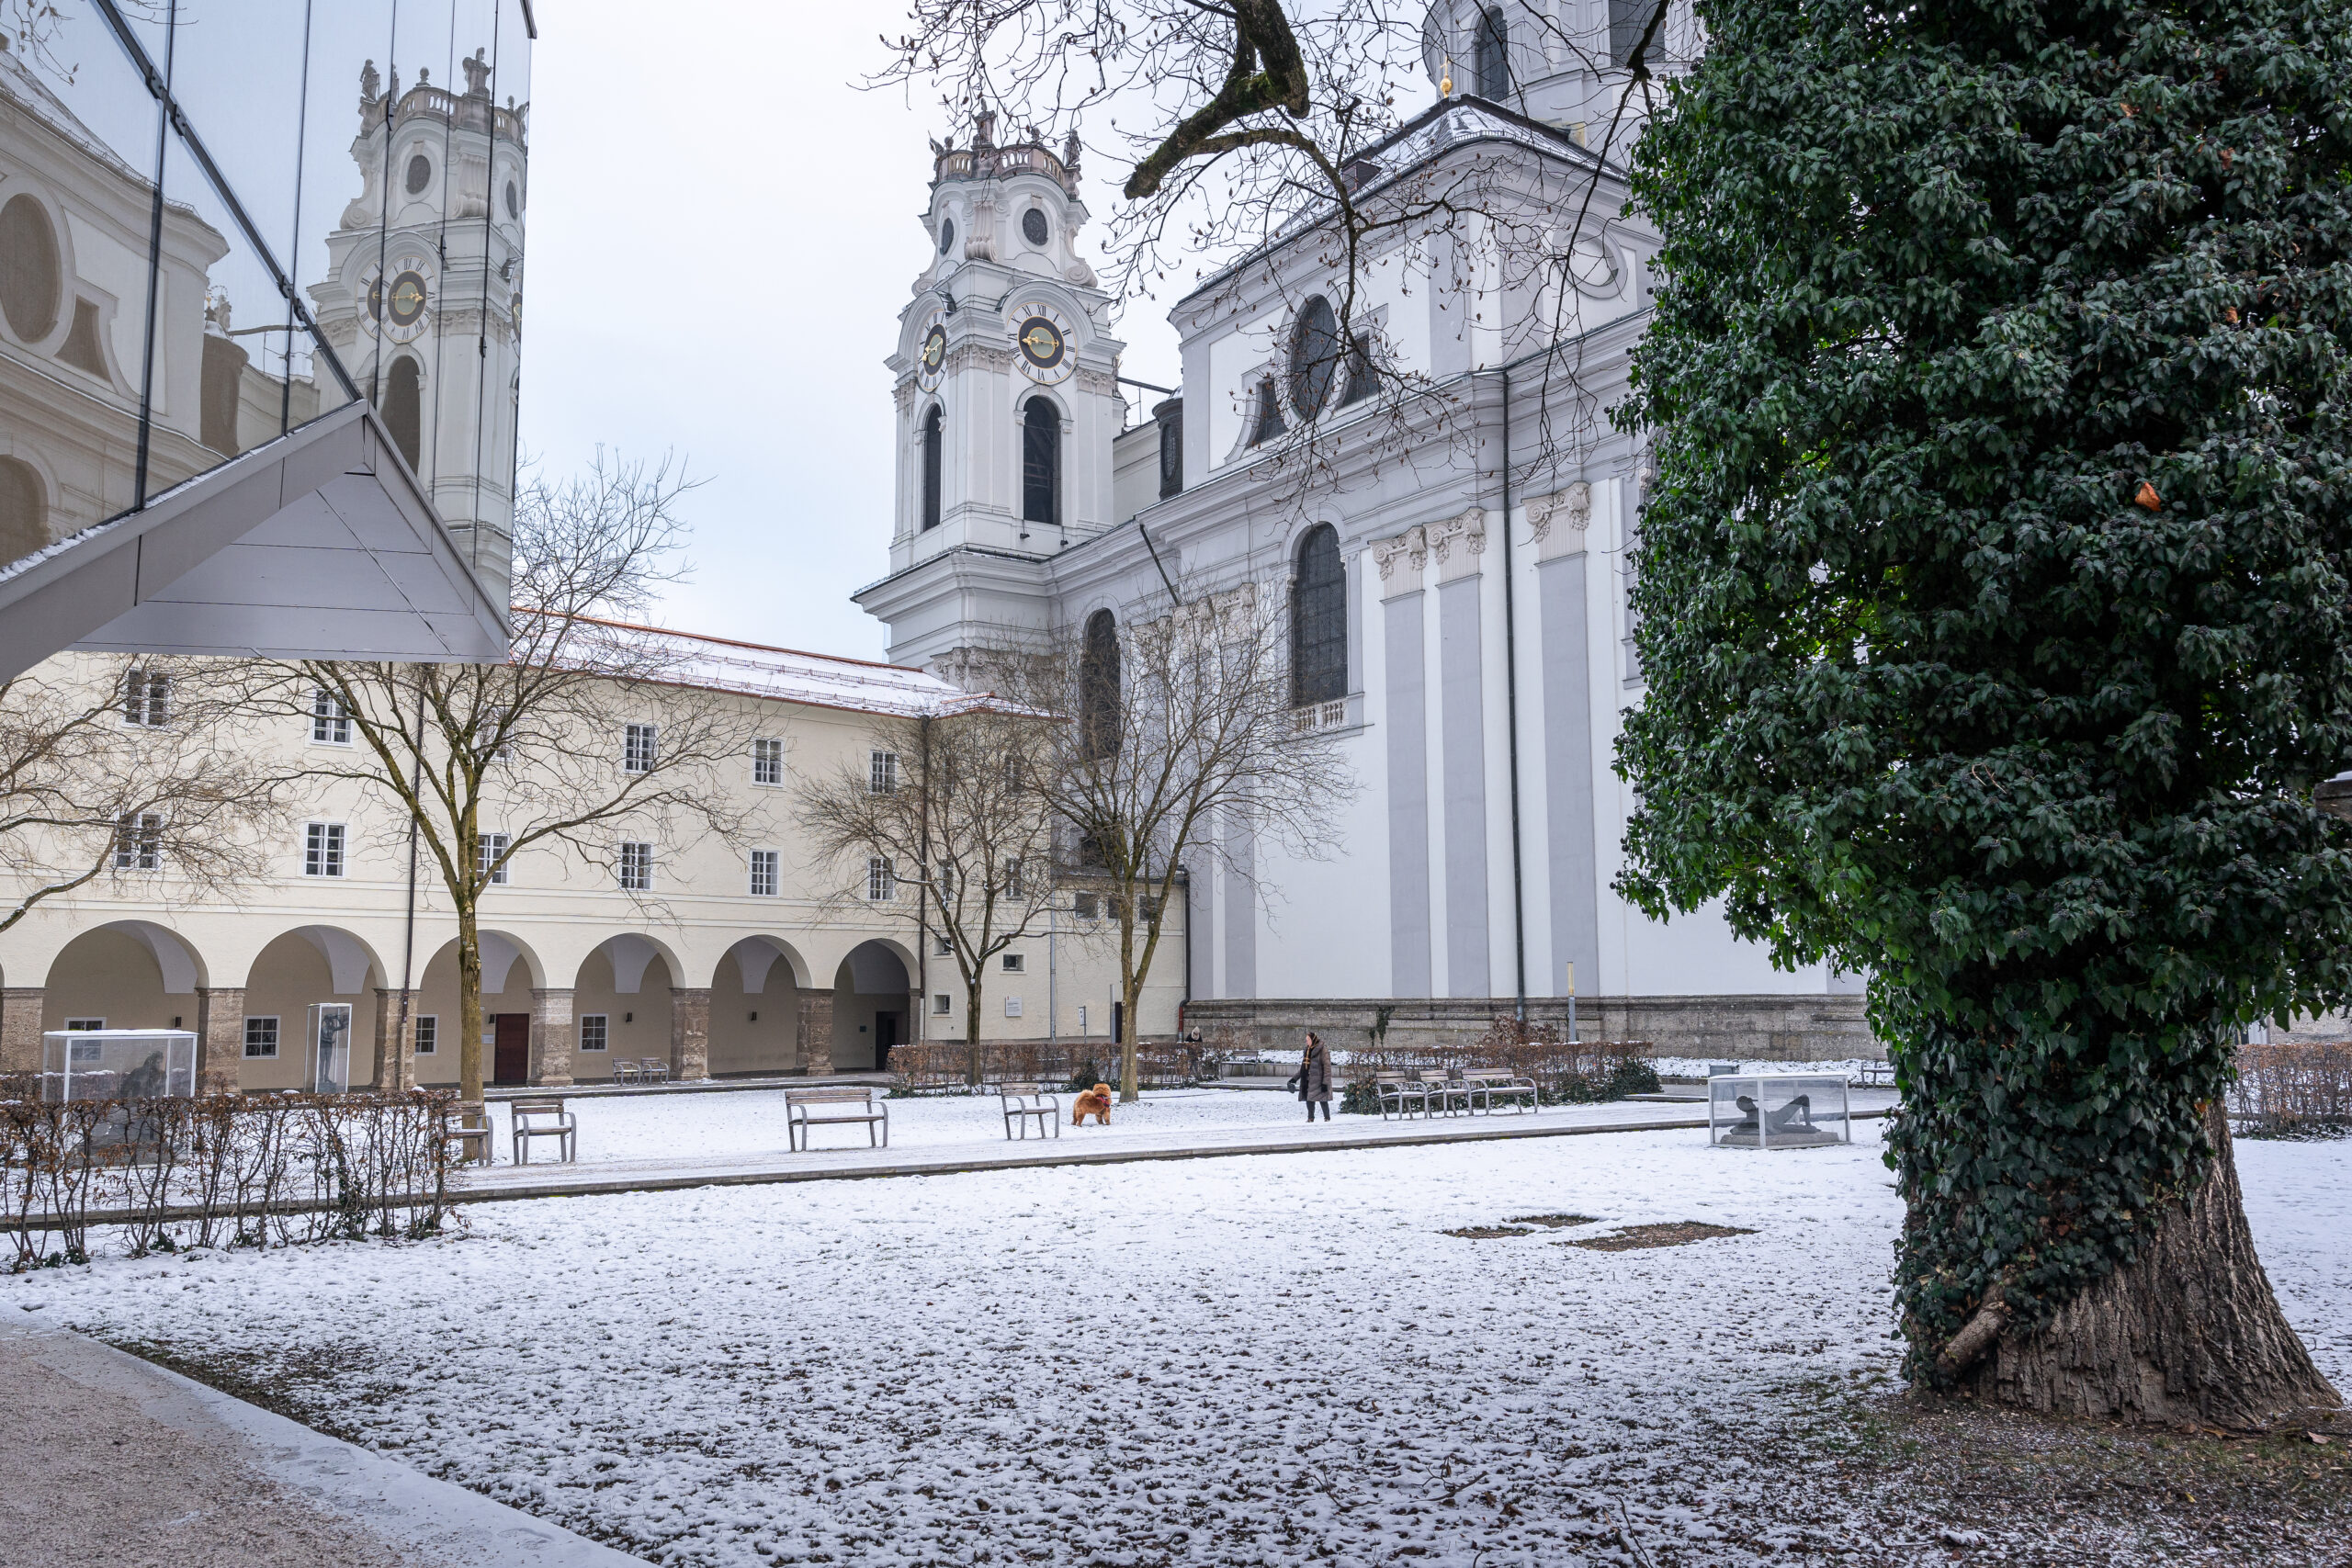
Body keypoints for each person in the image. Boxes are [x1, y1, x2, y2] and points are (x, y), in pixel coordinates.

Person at [1288, 1032, 1333, 1122]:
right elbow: (1303, 1068)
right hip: (1308, 1080)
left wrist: (1325, 1083)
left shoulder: (1323, 1050)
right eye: (1306, 1040)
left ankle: (1327, 1118)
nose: (1307, 1042)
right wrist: (1294, 1079)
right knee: (1309, 1098)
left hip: (1320, 1081)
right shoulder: (1307, 1050)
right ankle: (1310, 1118)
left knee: (1323, 1100)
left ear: (1313, 1040)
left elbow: (1327, 1068)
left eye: (1308, 1040)